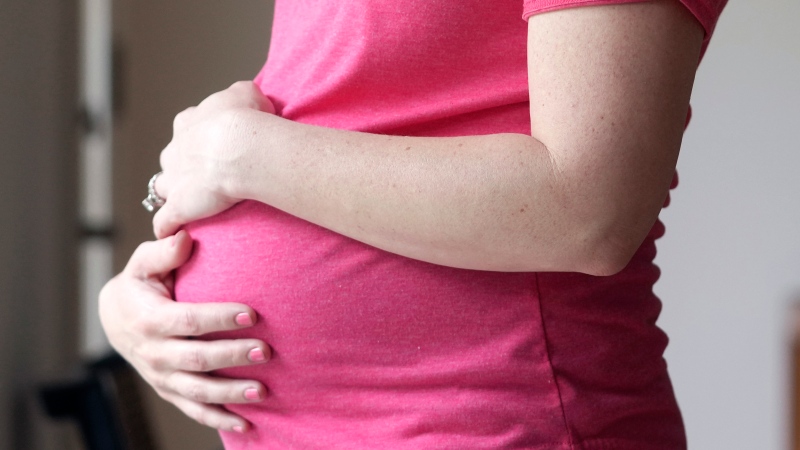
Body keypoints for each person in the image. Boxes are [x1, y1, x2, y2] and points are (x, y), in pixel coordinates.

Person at [99, 0, 727, 448]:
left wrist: (241, 152)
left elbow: (588, 207)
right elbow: (341, 109)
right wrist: (153, 289)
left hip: (499, 420)